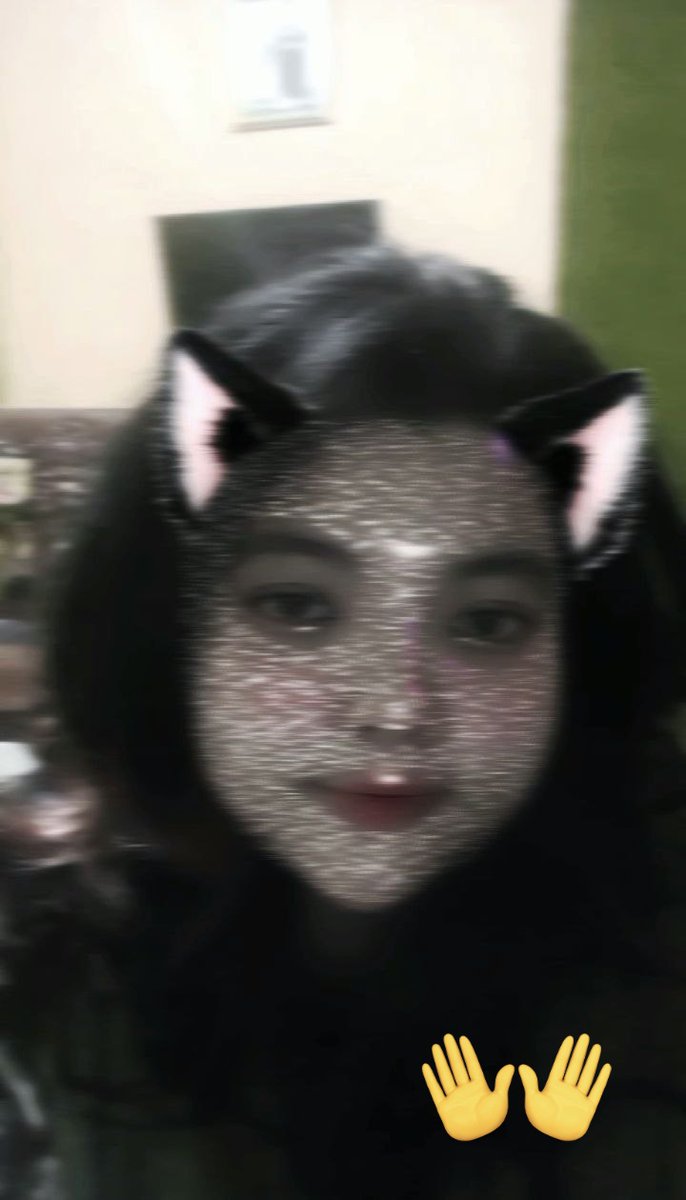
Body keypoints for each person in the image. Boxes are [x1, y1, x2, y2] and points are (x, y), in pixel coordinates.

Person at [2, 245, 685, 1199]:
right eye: (298, 607)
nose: (395, 710)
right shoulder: (74, 939)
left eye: (487, 623)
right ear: (168, 625)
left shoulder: (652, 959)